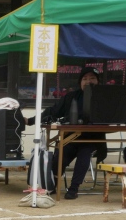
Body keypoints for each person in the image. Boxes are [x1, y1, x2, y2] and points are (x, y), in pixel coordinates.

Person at [35, 66, 107, 199]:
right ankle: (53, 185)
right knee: (60, 154)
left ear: (98, 81)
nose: (88, 81)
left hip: (93, 139)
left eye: (92, 78)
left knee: (84, 154)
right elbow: (53, 111)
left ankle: (74, 188)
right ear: (80, 82)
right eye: (85, 78)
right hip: (70, 138)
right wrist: (31, 120)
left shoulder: (105, 98)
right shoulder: (71, 97)